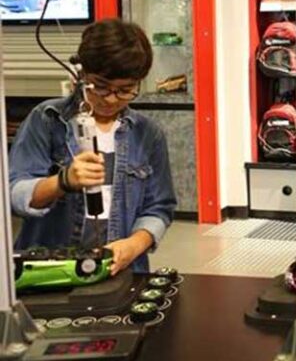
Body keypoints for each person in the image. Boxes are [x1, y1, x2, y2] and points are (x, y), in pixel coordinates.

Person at [10, 18, 177, 275]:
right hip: (49, 271)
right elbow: (14, 195)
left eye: (125, 90)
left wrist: (134, 245)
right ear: (81, 74)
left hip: (121, 270)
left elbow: (159, 207)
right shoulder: (47, 119)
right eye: (100, 86)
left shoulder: (148, 135)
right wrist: (62, 181)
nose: (110, 99)